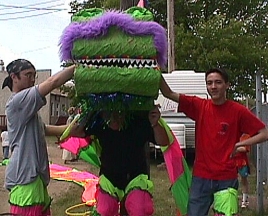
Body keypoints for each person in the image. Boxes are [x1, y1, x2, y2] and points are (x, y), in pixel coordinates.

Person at [160, 67, 268, 216]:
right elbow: (168, 93)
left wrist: (241, 144)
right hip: (201, 178)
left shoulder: (238, 111)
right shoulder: (200, 106)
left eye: (218, 82)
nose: (213, 86)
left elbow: (264, 133)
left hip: (226, 179)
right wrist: (155, 71)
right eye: (209, 83)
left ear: (227, 85)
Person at [2, 59, 76, 216]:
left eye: (34, 75)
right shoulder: (17, 101)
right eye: (28, 75)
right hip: (25, 181)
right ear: (14, 77)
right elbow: (52, 82)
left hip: (35, 179)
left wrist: (74, 128)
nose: (32, 79)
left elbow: (45, 129)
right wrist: (79, 67)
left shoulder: (29, 110)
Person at [72, 107, 169, 216]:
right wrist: (87, 113)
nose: (116, 116)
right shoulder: (100, 121)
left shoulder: (138, 120)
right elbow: (77, 132)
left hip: (135, 177)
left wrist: (155, 123)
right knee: (104, 211)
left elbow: (164, 141)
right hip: (110, 178)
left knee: (139, 210)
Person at [234, 133, 251, 208]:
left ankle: (245, 200)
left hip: (242, 162)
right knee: (232, 180)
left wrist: (235, 148)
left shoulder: (246, 136)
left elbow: (246, 148)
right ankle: (232, 198)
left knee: (244, 180)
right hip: (233, 161)